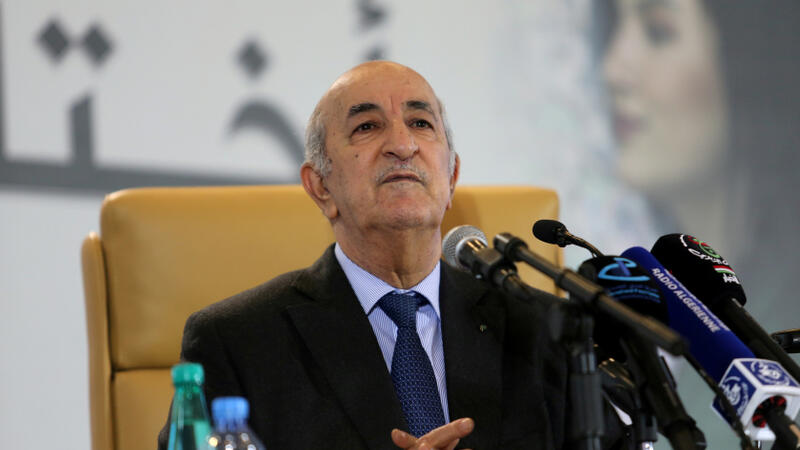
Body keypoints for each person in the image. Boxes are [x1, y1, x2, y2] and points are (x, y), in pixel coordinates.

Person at [157, 61, 588, 449]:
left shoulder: (542, 330)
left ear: (452, 177)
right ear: (320, 187)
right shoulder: (237, 342)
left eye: (420, 123)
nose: (402, 144)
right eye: (366, 127)